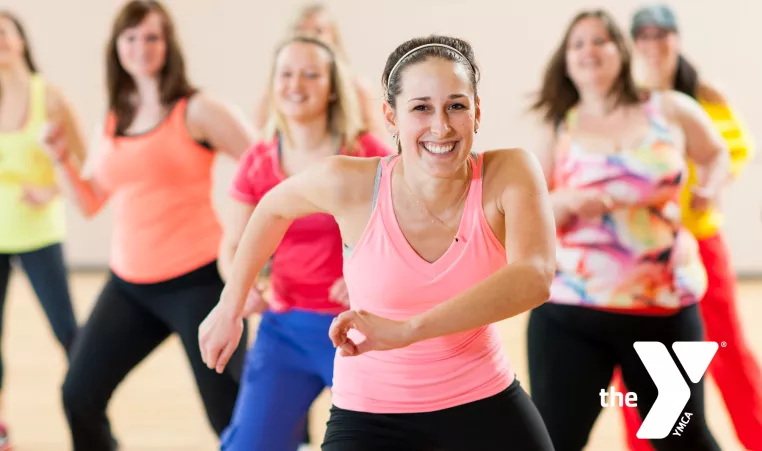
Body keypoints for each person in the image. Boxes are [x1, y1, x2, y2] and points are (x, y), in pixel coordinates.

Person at [200, 34, 557, 451]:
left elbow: (535, 276)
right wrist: (230, 304)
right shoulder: (351, 183)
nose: (440, 125)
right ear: (391, 117)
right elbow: (271, 208)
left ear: (476, 112)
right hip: (371, 414)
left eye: (456, 106)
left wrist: (408, 330)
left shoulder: (510, 172)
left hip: (482, 397)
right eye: (420, 107)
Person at [39, 1, 253, 449]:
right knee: (78, 394)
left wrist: (249, 251)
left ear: (168, 45)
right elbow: (92, 200)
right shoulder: (116, 117)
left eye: (152, 37)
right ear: (117, 46)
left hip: (199, 283)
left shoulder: (196, 110)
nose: (141, 47)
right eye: (131, 37)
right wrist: (61, 159)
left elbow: (264, 167)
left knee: (231, 417)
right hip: (129, 285)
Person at [528, 9, 729, 451]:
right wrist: (563, 202)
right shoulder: (558, 125)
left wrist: (709, 189)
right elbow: (530, 210)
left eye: (600, 40)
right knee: (554, 440)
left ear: (622, 48)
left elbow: (717, 153)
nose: (589, 51)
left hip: (663, 307)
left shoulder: (669, 108)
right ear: (566, 60)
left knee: (681, 437)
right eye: (577, 44)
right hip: (572, 312)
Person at [211, 34, 392, 451]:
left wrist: (368, 276)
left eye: (311, 74)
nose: (297, 84)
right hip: (284, 328)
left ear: (332, 88)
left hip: (357, 332)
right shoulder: (257, 160)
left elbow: (402, 234)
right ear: (273, 85)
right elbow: (233, 245)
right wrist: (242, 289)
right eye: (287, 73)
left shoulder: (368, 154)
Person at [609, 5, 762, 451]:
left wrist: (708, 185)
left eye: (663, 35)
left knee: (728, 350)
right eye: (644, 36)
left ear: (676, 39)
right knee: (638, 361)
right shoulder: (623, 100)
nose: (655, 44)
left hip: (700, 242)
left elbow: (732, 151)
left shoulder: (701, 94)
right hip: (641, 254)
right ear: (632, 44)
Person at [0, 10, 80, 450]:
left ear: (20, 40)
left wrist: (48, 190)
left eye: (4, 31)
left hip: (39, 233)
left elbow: (80, 165)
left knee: (68, 332)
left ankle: (89, 414)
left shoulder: (47, 96)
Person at [252, 3, 386, 140]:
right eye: (301, 30)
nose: (310, 36)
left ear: (333, 35)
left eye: (318, 31)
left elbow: (376, 142)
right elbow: (260, 139)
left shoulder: (358, 89)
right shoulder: (272, 94)